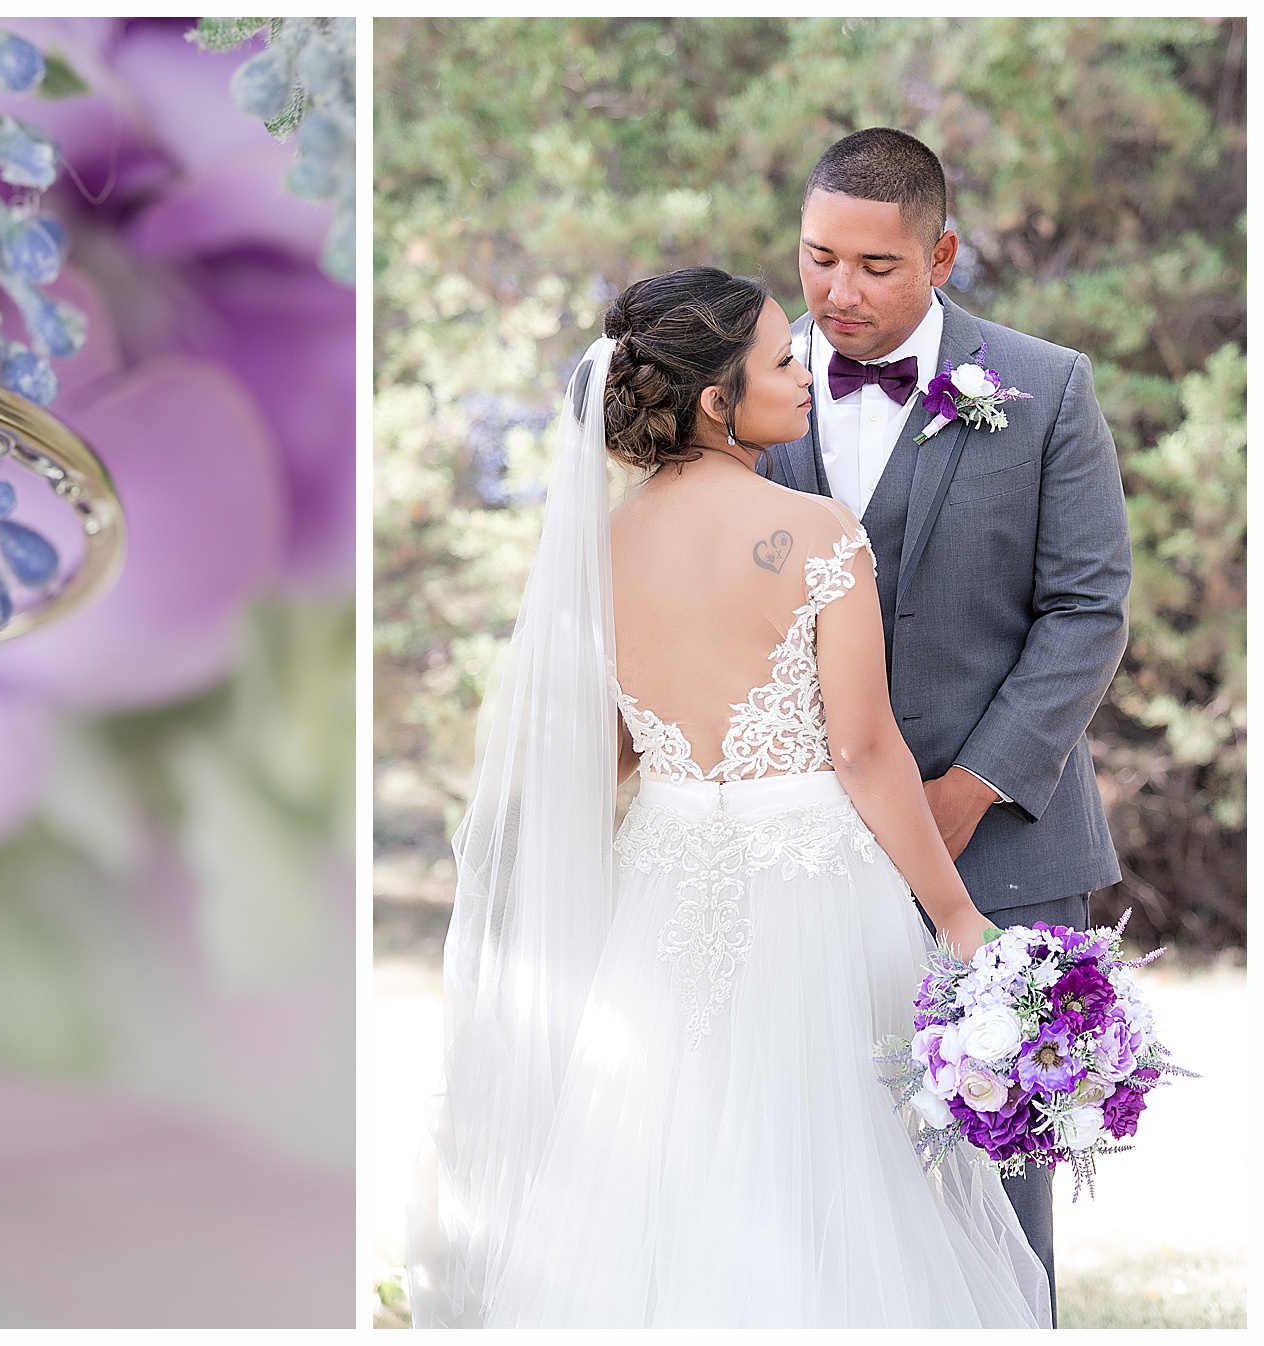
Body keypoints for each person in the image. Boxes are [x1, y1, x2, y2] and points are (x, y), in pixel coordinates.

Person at [406, 266, 1053, 1327]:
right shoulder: (816, 532)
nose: (806, 373)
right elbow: (863, 746)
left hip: (661, 883)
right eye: (782, 361)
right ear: (716, 400)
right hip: (809, 889)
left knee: (663, 1154)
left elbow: (606, 750)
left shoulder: (601, 545)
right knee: (825, 1167)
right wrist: (954, 913)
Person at [772, 128, 1131, 1322]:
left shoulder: (1048, 387)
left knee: (999, 1195)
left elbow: (1087, 612)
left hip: (1007, 853)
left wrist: (966, 789)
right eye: (820, 258)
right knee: (809, 1171)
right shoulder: (748, 390)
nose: (838, 293)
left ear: (944, 254)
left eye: (876, 266)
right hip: (799, 853)